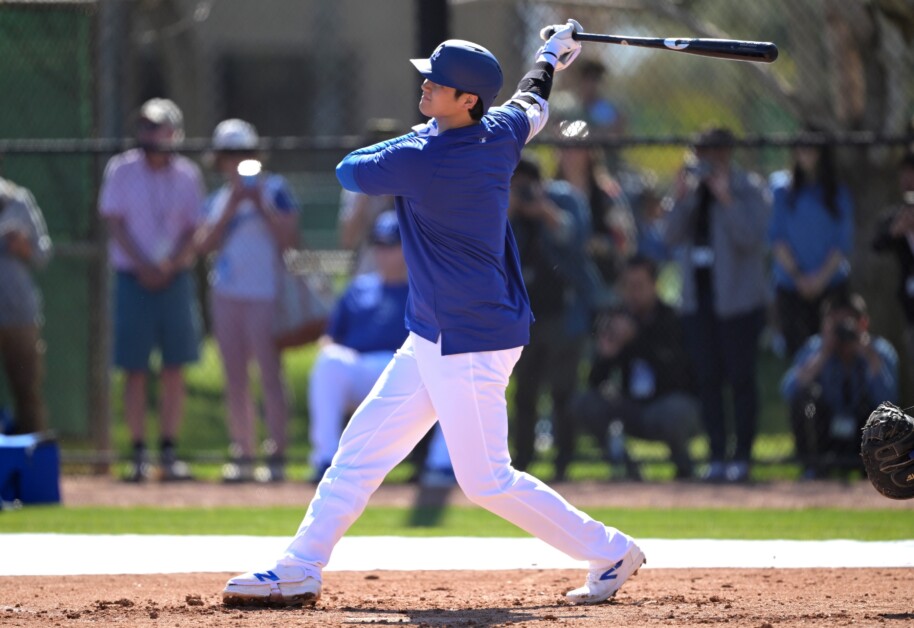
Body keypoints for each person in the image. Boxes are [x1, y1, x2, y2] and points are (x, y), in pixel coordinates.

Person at [222, 21, 645, 608]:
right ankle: (300, 565)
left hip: (468, 335)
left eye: (437, 83)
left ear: (467, 100)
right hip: (438, 330)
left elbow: (350, 169)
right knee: (361, 449)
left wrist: (431, 126)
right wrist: (551, 54)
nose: (424, 86)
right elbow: (534, 99)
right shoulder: (498, 131)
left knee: (486, 479)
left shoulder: (425, 154)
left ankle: (611, 550)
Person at [98, 98, 204, 482]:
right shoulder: (122, 169)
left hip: (175, 279)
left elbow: (194, 228)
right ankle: (139, 452)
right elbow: (115, 223)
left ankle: (169, 452)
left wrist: (171, 264)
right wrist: (144, 265)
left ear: (173, 133)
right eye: (144, 127)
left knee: (175, 367)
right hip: (132, 279)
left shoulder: (188, 175)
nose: (148, 134)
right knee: (135, 368)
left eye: (156, 127)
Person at [308, 211, 452, 486]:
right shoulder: (358, 289)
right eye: (380, 246)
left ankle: (442, 465)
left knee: (452, 371)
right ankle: (325, 460)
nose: (385, 254)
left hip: (412, 372)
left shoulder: (426, 291)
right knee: (329, 361)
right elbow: (330, 339)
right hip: (363, 369)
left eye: (393, 246)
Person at [195, 119, 299, 483]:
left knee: (270, 376)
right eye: (229, 155)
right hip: (227, 294)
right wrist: (233, 205)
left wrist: (259, 205)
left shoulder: (275, 189)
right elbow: (203, 244)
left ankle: (277, 451)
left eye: (242, 154)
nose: (235, 162)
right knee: (234, 378)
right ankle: (242, 451)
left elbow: (290, 239)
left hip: (266, 294)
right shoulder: (218, 198)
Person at [664, 127, 770, 483]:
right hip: (700, 299)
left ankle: (742, 456)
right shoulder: (693, 190)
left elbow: (752, 238)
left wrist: (727, 199)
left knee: (740, 380)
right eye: (701, 152)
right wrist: (683, 198)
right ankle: (716, 455)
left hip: (738, 302)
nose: (707, 160)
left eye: (714, 152)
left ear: (727, 153)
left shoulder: (747, 188)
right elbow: (670, 235)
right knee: (707, 380)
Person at [507, 157, 603, 481]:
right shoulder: (503, 208)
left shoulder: (561, 199)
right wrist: (507, 212)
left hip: (564, 313)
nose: (522, 192)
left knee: (564, 392)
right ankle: (521, 463)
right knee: (525, 394)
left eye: (526, 185)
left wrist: (545, 213)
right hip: (523, 319)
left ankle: (564, 463)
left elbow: (576, 243)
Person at [573, 255, 701, 480]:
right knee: (585, 403)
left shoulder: (672, 319)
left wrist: (637, 339)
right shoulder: (617, 318)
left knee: (675, 411)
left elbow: (680, 377)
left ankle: (683, 466)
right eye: (628, 286)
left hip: (664, 406)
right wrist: (607, 356)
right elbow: (594, 382)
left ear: (654, 285)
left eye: (639, 285)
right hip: (631, 408)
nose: (633, 293)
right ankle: (626, 467)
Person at [780, 293, 898, 478]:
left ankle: (873, 472)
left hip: (863, 433)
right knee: (806, 398)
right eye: (836, 325)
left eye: (848, 324)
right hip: (826, 430)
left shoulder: (880, 351)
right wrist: (823, 355)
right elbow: (788, 391)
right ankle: (813, 468)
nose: (842, 332)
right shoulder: (816, 348)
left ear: (863, 324)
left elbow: (890, 401)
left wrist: (869, 357)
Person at [769, 137, 854, 357]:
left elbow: (841, 244)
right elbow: (776, 238)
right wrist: (799, 277)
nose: (804, 154)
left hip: (831, 286)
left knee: (836, 352)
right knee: (799, 356)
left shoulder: (838, 193)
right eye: (800, 148)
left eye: (811, 149)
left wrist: (820, 280)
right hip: (792, 287)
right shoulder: (781, 190)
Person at [553, 119, 636, 285]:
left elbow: (626, 243)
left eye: (575, 147)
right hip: (560, 279)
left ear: (589, 152)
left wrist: (602, 245)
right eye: (563, 147)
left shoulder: (606, 193)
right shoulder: (551, 191)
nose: (568, 153)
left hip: (601, 276)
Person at [0, 175, 53, 434]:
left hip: (18, 315)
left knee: (27, 391)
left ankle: (31, 463)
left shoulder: (18, 200)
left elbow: (43, 253)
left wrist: (23, 246)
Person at [337, 119, 402, 277]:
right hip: (367, 270)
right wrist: (366, 192)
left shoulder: (407, 184)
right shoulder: (356, 189)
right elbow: (347, 240)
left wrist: (393, 197)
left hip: (403, 274)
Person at [871, 151, 914, 370]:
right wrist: (897, 231)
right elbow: (877, 244)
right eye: (903, 175)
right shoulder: (895, 216)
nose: (908, 181)